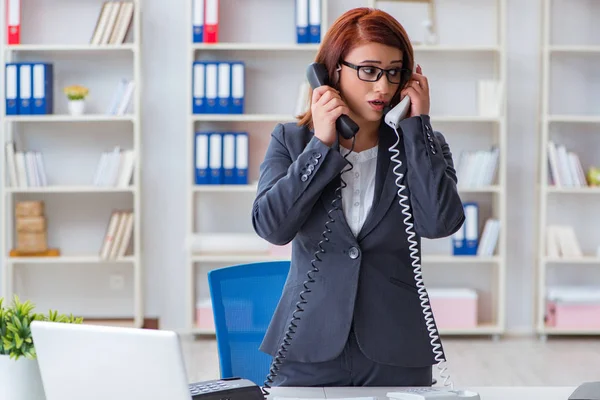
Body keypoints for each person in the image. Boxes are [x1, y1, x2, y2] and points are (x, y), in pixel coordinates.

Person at [251, 7, 465, 388]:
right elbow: (272, 228)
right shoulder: (292, 141)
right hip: (308, 344)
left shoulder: (422, 146)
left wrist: (417, 128)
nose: (382, 88)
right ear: (331, 72)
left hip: (397, 347)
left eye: (394, 72)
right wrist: (321, 145)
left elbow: (440, 223)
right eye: (368, 70)